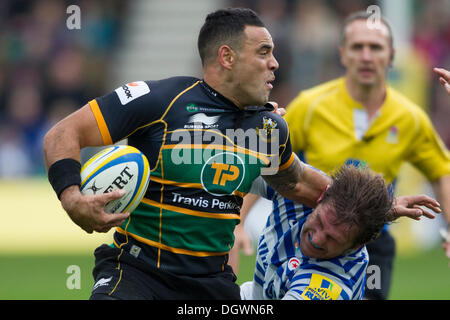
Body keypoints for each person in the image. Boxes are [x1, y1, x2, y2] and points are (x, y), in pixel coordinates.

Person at [42, 8, 331, 300]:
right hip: (136, 273)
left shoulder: (268, 129)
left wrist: (365, 203)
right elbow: (63, 134)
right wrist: (72, 198)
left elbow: (301, 184)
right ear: (227, 57)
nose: (275, 63)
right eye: (263, 52)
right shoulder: (158, 100)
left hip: (212, 285)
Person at [281, 11, 450, 299]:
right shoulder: (310, 106)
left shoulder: (410, 118)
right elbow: (269, 159)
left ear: (392, 55)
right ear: (343, 54)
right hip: (314, 233)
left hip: (372, 240)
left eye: (376, 47)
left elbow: (440, 172)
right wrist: (239, 221)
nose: (367, 56)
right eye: (358, 47)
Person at [240, 164, 441, 300]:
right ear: (318, 199)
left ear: (356, 245)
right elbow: (239, 167)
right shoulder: (300, 194)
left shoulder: (332, 281)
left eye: (332, 239)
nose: (317, 239)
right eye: (318, 221)